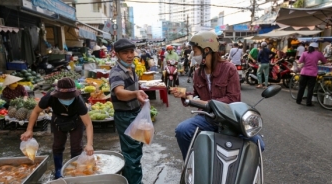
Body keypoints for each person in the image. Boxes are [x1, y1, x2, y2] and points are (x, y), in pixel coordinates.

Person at [171, 31, 264, 160]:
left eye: (195, 51)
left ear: (207, 50)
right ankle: (192, 165)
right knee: (182, 130)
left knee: (259, 144)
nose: (193, 54)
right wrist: (185, 95)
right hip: (207, 118)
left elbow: (233, 99)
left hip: (229, 120)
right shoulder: (197, 73)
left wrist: (208, 103)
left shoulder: (229, 69)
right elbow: (197, 97)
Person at [20, 78, 94, 179]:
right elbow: (35, 111)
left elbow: (88, 124)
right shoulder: (50, 97)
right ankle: (58, 170)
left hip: (76, 121)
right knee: (57, 146)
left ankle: (74, 171)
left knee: (76, 147)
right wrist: (29, 130)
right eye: (64, 97)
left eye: (69, 97)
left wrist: (89, 144)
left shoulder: (78, 100)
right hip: (58, 120)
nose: (66, 99)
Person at [109, 38, 149, 184]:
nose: (130, 55)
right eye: (125, 53)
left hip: (135, 113)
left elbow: (133, 90)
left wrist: (139, 98)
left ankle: (129, 179)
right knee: (132, 152)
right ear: (117, 54)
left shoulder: (131, 69)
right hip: (125, 116)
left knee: (136, 149)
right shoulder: (117, 72)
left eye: (131, 51)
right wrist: (135, 94)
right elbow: (119, 92)